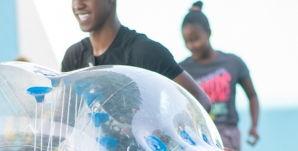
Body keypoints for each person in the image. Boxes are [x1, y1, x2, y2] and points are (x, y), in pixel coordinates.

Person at [62, 0, 211, 112]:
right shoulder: (74, 57)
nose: (77, 5)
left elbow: (201, 101)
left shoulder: (144, 51)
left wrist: (166, 129)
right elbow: (64, 119)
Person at [180, 2, 259, 151]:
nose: (191, 46)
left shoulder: (232, 62)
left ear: (208, 32)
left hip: (227, 132)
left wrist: (254, 126)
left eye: (195, 39)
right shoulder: (181, 69)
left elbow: (252, 95)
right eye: (187, 41)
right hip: (197, 131)